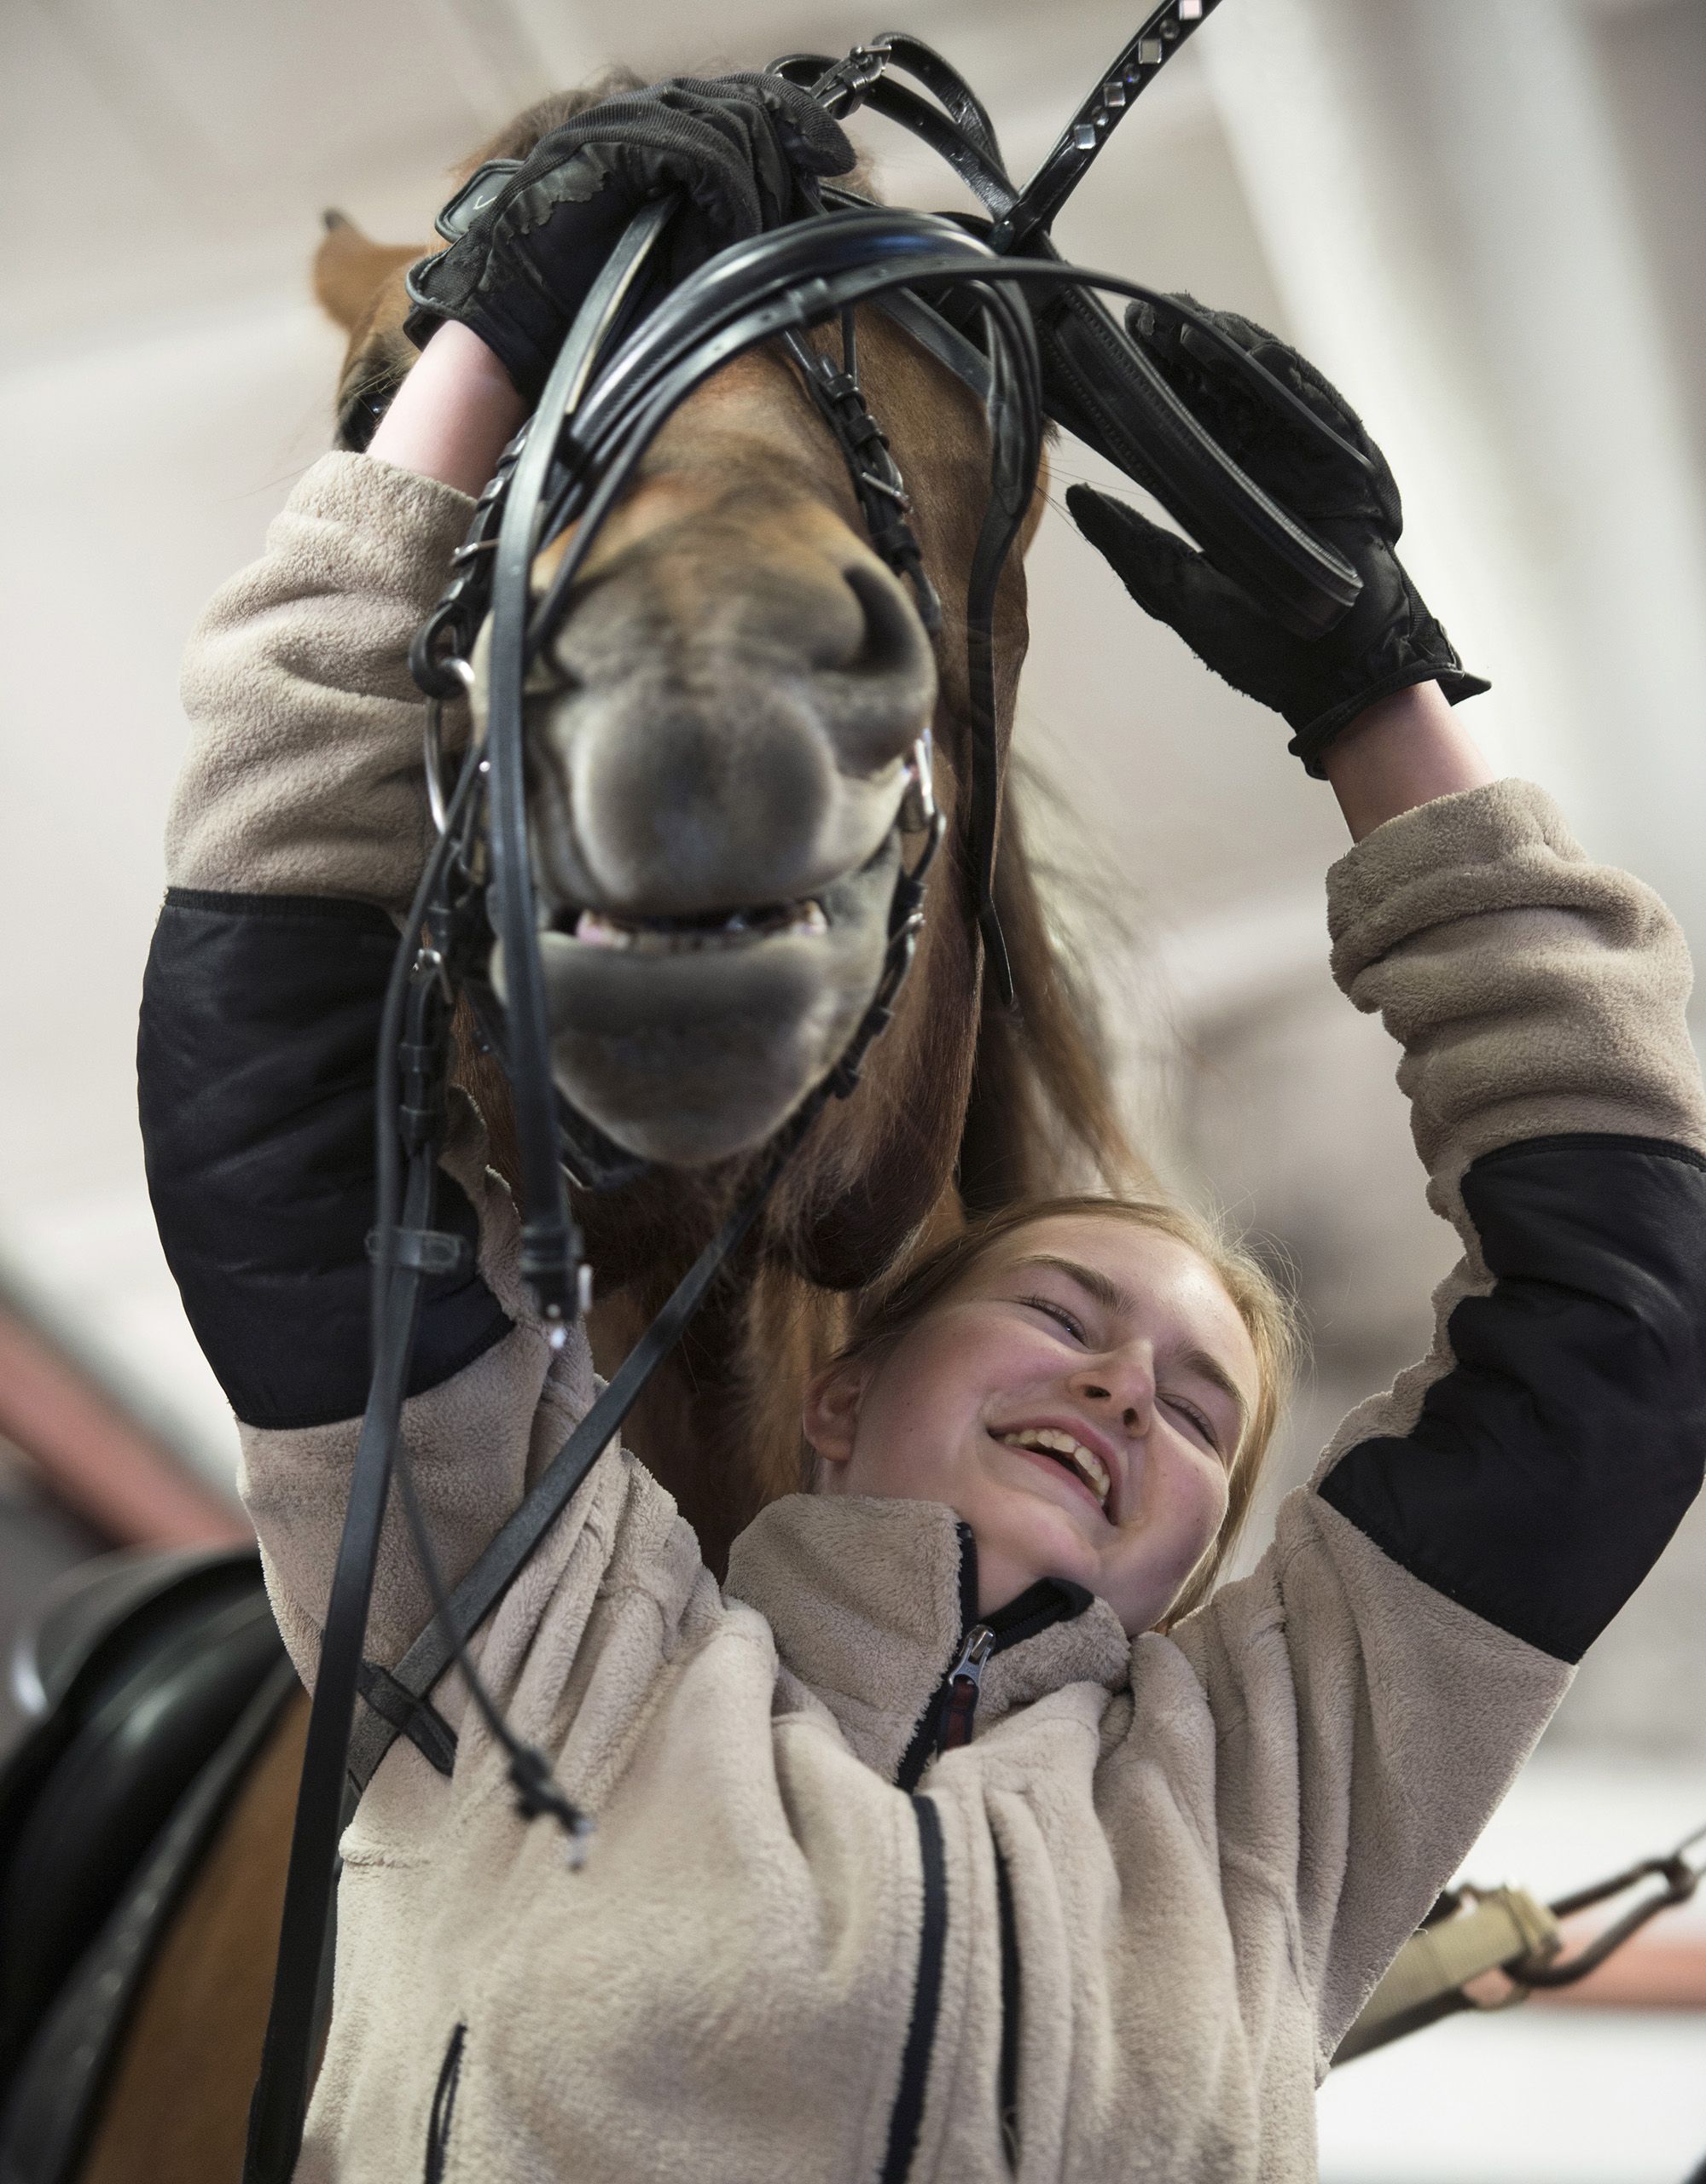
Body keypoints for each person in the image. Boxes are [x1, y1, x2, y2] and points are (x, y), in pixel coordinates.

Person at [137, 77, 1706, 2184]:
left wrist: (1375, 679)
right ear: (848, 1386)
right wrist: (467, 364)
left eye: (1196, 1408)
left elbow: (1627, 1322)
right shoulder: (519, 1642)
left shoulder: (1272, 1799)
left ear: (1199, 1570)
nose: (1120, 1383)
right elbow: (274, 1077)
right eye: (1066, 1305)